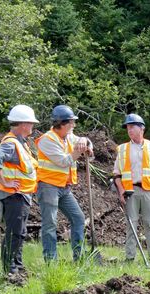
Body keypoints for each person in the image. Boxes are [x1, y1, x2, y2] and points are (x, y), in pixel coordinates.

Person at [0, 105, 40, 281]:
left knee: (20, 231)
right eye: (31, 123)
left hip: (21, 194)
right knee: (14, 232)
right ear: (23, 124)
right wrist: (5, 181)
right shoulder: (11, 143)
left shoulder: (20, 143)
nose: (32, 126)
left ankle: (17, 265)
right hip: (13, 195)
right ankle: (9, 269)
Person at [36, 105, 92, 262]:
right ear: (62, 123)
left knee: (78, 219)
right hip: (48, 187)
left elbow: (87, 142)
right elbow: (63, 161)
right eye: (71, 122)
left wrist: (85, 141)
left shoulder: (68, 136)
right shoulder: (47, 140)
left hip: (64, 188)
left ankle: (79, 258)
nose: (74, 125)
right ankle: (51, 262)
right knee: (50, 224)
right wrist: (79, 151)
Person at [113, 113, 150, 263]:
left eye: (132, 127)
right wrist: (121, 192)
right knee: (131, 224)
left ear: (141, 128)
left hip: (149, 191)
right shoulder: (123, 149)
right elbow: (117, 174)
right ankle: (130, 257)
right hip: (130, 191)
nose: (129, 130)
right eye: (127, 128)